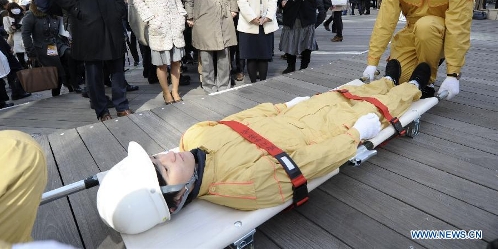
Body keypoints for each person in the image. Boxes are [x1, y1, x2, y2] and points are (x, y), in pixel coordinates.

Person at [97, 59, 432, 235]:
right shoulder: (243, 187)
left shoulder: (194, 135)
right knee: (372, 111)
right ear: (178, 197)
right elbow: (309, 162)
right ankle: (412, 87)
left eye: (158, 156)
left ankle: (387, 80)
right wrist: (355, 136)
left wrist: (282, 107)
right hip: (322, 133)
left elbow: (241, 117)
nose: (168, 154)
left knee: (342, 95)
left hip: (299, 114)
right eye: (165, 168)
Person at [131, 0, 187, 104]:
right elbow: (137, 0)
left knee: (176, 61)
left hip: (174, 24)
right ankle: (166, 92)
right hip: (157, 25)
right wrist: (151, 19)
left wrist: (181, 16)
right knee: (161, 63)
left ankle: (175, 91)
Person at [21, 0, 81, 96]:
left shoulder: (54, 14)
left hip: (57, 43)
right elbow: (25, 34)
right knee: (56, 69)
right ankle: (59, 90)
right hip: (43, 46)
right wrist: (30, 50)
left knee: (70, 54)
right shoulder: (30, 15)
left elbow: (61, 30)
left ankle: (74, 83)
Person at [3, 2, 27, 68]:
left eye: (16, 7)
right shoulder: (6, 18)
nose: (15, 9)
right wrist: (13, 28)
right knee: (21, 59)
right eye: (12, 8)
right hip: (16, 40)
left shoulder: (25, 15)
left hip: (27, 37)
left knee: (32, 57)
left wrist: (22, 27)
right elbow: (7, 30)